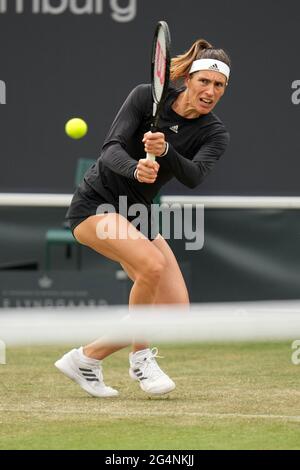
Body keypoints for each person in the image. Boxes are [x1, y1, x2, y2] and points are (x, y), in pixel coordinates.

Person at [55, 38, 231, 397]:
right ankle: (141, 360)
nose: (210, 91)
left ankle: (86, 358)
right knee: (151, 266)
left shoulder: (215, 132)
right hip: (96, 205)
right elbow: (110, 151)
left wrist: (165, 150)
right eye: (204, 82)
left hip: (138, 213)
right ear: (189, 80)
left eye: (219, 85)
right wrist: (135, 169)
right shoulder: (144, 97)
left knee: (174, 308)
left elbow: (194, 176)